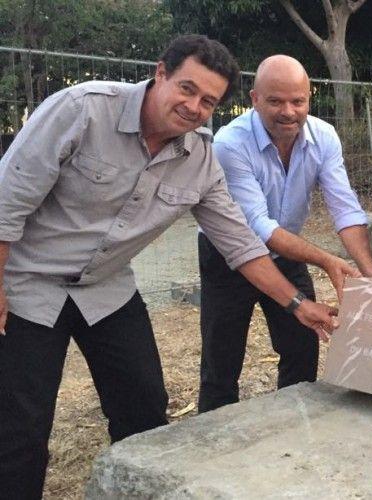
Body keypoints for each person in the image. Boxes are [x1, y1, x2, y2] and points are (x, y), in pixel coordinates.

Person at [0, 35, 338, 499]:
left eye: (208, 101)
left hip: (106, 289)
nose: (194, 106)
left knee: (145, 410)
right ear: (160, 73)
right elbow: (7, 203)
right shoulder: (82, 109)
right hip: (26, 284)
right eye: (186, 88)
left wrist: (298, 304)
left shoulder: (201, 158)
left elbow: (239, 242)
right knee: (20, 426)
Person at [198, 55, 372, 413]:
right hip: (229, 258)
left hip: (287, 256)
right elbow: (258, 226)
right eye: (275, 101)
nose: (288, 112)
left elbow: (344, 206)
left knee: (303, 346)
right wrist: (326, 259)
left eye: (297, 101)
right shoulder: (229, 144)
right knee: (221, 361)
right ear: (254, 98)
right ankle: (212, 447)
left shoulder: (324, 136)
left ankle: (295, 431)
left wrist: (367, 269)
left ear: (309, 98)